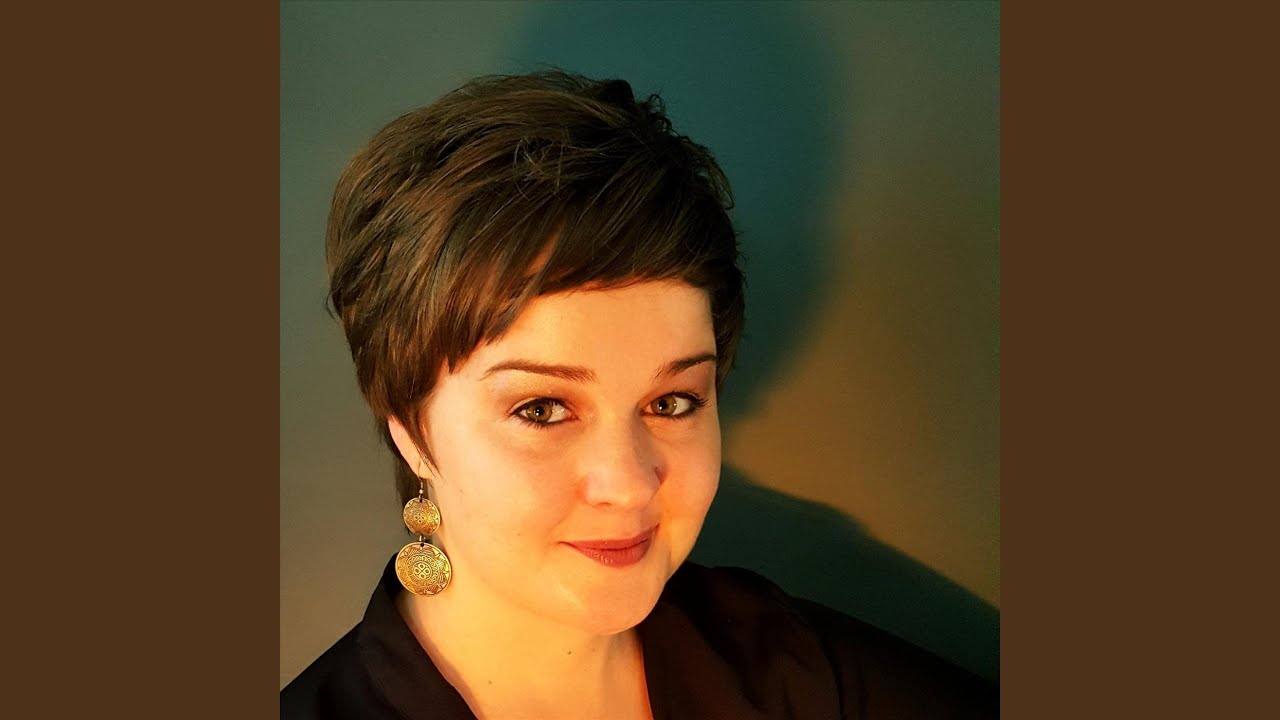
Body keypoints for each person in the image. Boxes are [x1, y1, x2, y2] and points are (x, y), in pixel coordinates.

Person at [281, 70, 997, 719]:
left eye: (672, 402)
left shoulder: (791, 672)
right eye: (542, 409)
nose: (628, 485)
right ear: (411, 428)